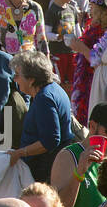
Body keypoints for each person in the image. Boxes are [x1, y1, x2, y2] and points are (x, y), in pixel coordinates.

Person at [10, 49, 73, 183]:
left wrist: (19, 153)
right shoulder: (51, 90)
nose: (15, 79)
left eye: (17, 75)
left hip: (46, 172)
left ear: (31, 80)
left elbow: (50, 140)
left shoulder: (45, 98)